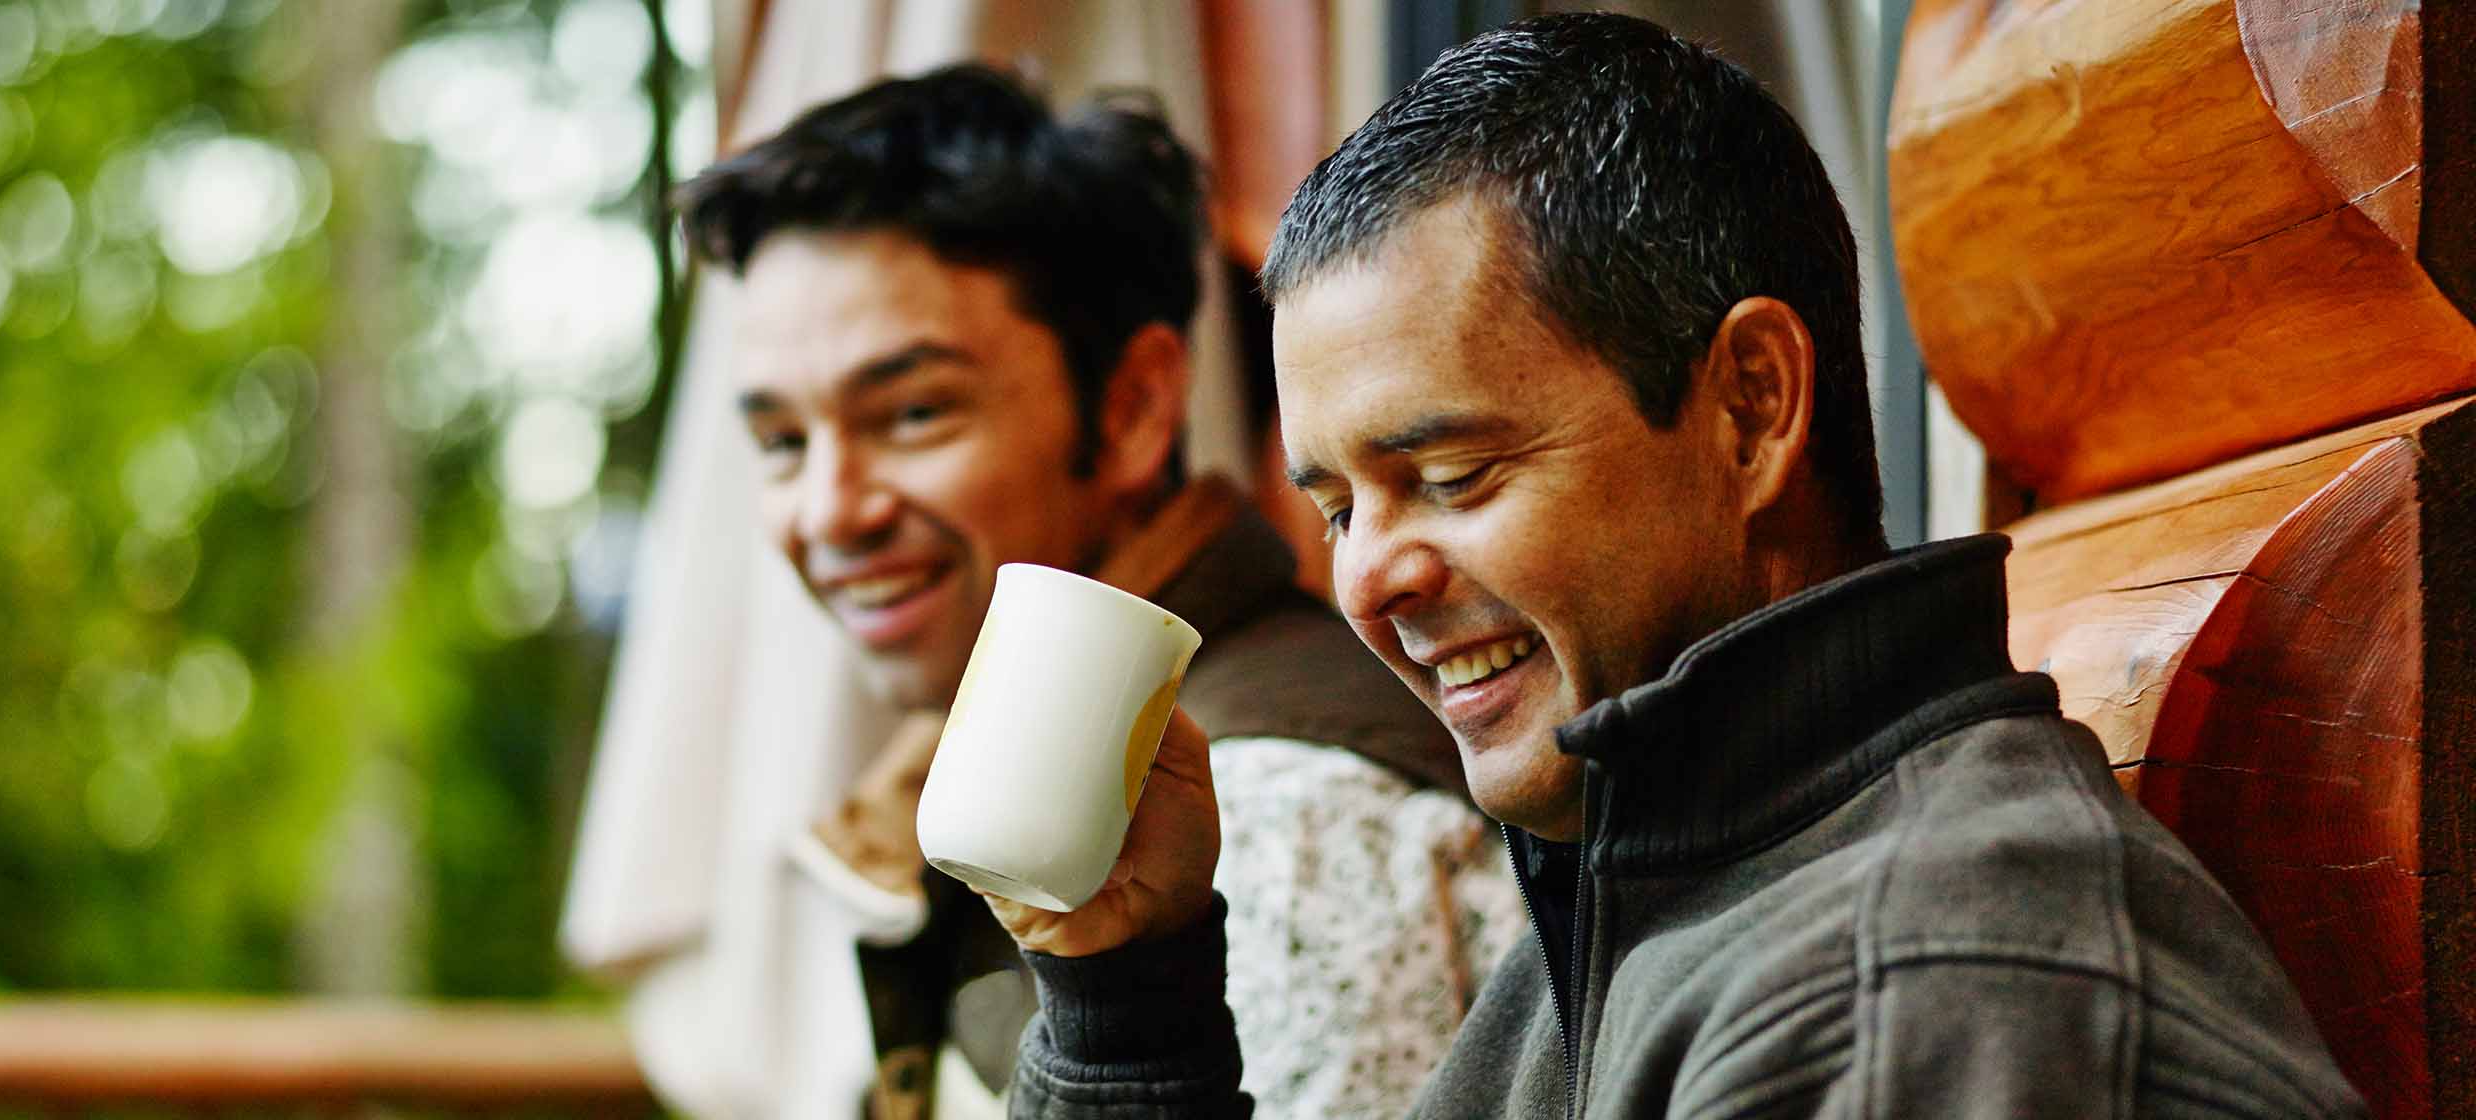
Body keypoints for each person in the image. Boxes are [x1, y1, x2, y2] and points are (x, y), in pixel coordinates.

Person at [979, 15, 2366, 1119]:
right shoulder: (1639, 881)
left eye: (1452, 479)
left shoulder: (1924, 1004)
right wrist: (1123, 1002)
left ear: (1752, 407)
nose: (1371, 580)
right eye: (1338, 510)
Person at [673, 65, 1526, 1118]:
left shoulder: (1277, 817)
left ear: (1132, 406)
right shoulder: (1020, 779)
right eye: (780, 441)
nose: (830, 509)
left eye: (913, 414)